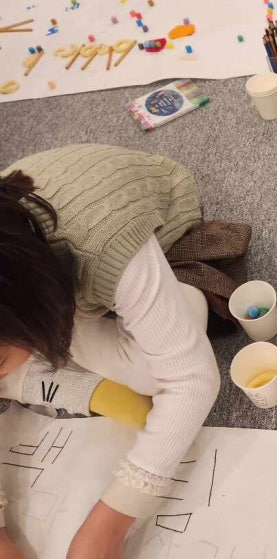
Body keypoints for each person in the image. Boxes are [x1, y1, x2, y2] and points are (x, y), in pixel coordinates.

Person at [0, 144, 222, 558]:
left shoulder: (101, 243)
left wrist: (111, 521)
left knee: (155, 373)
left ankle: (181, 298)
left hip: (152, 222)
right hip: (47, 278)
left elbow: (193, 380)